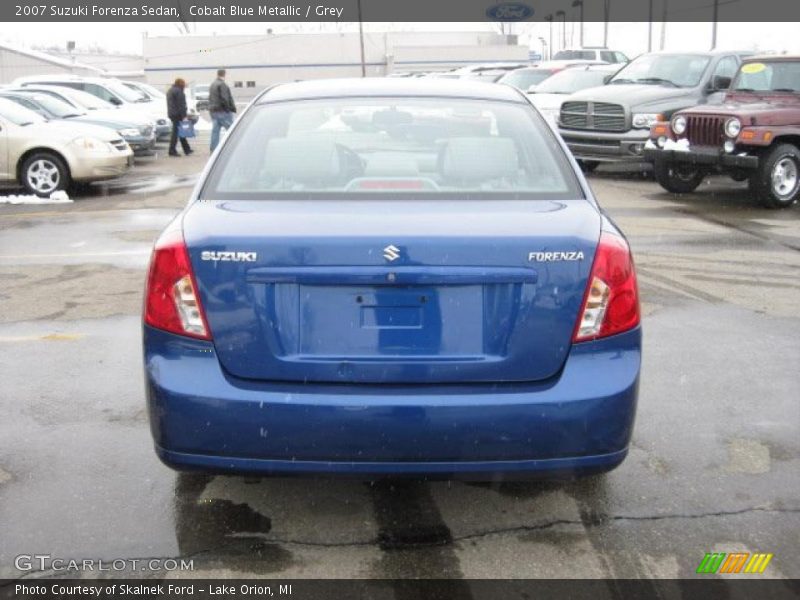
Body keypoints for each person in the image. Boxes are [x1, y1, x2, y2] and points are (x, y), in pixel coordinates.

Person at [208, 69, 237, 153]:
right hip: (222, 111)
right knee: (232, 130)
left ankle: (213, 149)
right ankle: (235, 147)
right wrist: (228, 109)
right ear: (224, 74)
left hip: (214, 111)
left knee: (215, 132)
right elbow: (225, 98)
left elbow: (210, 98)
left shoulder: (213, 84)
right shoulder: (222, 84)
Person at [166, 78, 193, 157]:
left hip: (172, 114)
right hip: (178, 114)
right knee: (176, 133)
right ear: (181, 84)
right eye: (184, 84)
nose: (185, 85)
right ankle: (172, 150)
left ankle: (187, 149)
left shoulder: (170, 90)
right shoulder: (179, 92)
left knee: (180, 132)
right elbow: (181, 105)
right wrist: (184, 116)